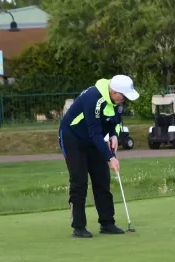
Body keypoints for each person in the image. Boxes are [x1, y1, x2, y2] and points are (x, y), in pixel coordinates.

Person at [58, 75, 139, 238]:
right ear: (114, 92)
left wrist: (115, 136)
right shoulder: (93, 98)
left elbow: (116, 122)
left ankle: (107, 223)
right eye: (123, 96)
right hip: (72, 138)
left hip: (92, 139)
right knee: (79, 181)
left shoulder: (117, 102)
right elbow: (94, 132)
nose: (124, 100)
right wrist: (111, 157)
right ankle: (79, 226)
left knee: (102, 179)